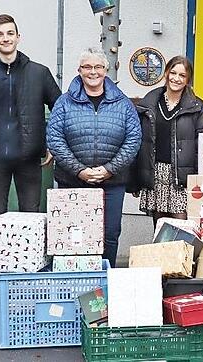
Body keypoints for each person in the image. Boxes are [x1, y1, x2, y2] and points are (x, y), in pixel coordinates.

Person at [0, 14, 62, 303]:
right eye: (0, 34)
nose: (5, 38)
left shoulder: (39, 73)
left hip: (28, 157)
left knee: (31, 216)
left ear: (18, 37)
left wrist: (51, 143)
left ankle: (29, 277)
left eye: (10, 33)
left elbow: (60, 108)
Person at [47, 47, 141, 267]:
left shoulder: (123, 104)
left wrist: (109, 169)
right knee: (73, 235)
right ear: (79, 70)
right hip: (72, 181)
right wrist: (80, 170)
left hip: (112, 182)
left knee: (110, 234)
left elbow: (133, 139)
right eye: (87, 67)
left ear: (106, 70)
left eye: (98, 67)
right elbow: (55, 139)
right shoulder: (64, 102)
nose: (93, 72)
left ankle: (104, 278)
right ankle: (75, 279)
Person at [131, 56, 203, 224]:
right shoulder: (149, 104)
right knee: (160, 227)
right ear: (166, 74)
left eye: (182, 75)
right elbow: (138, 142)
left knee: (183, 226)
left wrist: (201, 179)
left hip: (183, 177)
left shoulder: (197, 107)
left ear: (188, 79)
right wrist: (135, 179)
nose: (176, 78)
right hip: (156, 173)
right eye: (173, 73)